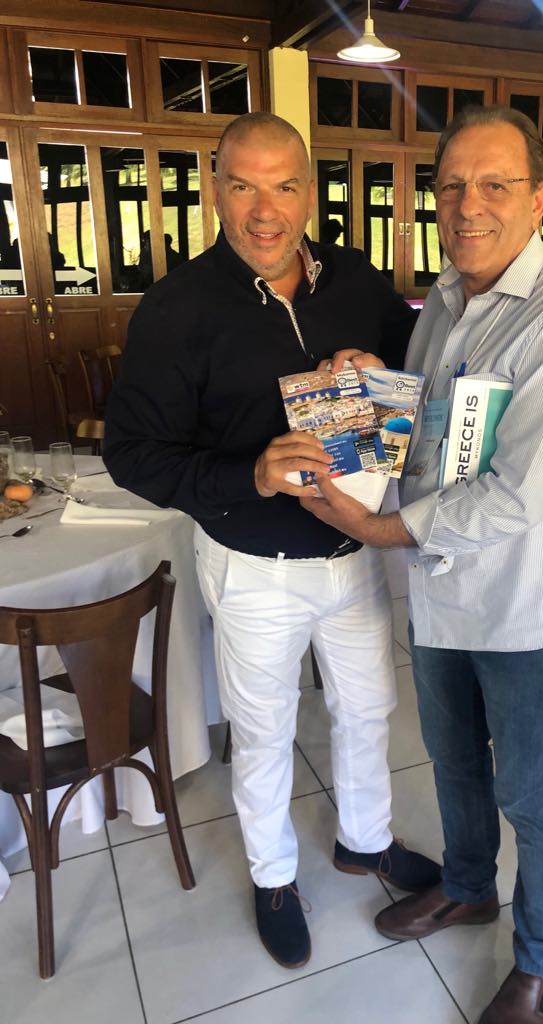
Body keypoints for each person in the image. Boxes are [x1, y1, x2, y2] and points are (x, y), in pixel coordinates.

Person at [301, 105, 543, 1024]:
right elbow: (433, 434)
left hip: (520, 603)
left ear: (540, 198)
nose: (468, 204)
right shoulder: (445, 299)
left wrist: (379, 531)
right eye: (451, 186)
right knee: (452, 759)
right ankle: (466, 886)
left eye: (494, 184)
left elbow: (517, 492)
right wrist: (374, 382)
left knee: (530, 790)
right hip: (440, 590)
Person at [103, 111, 439, 971]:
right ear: (216, 191)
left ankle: (365, 840)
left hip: (354, 548)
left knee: (368, 709)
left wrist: (380, 371)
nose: (265, 210)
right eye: (244, 186)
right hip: (254, 566)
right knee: (262, 732)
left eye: (284, 185)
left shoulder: (356, 277)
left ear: (309, 190)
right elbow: (132, 454)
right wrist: (248, 475)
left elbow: (416, 375)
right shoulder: (177, 307)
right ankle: (274, 876)